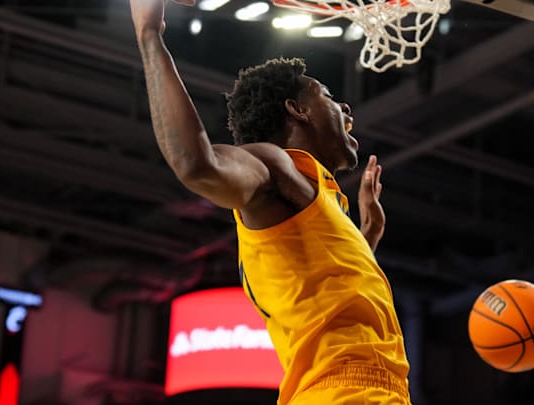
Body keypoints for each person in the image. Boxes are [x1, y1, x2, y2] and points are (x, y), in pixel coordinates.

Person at [129, 1, 411, 404]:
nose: (345, 107)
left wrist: (368, 235)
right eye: (328, 96)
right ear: (297, 111)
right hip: (344, 392)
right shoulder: (273, 163)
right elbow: (198, 165)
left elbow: (328, 292)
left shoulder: (316, 197)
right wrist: (150, 37)